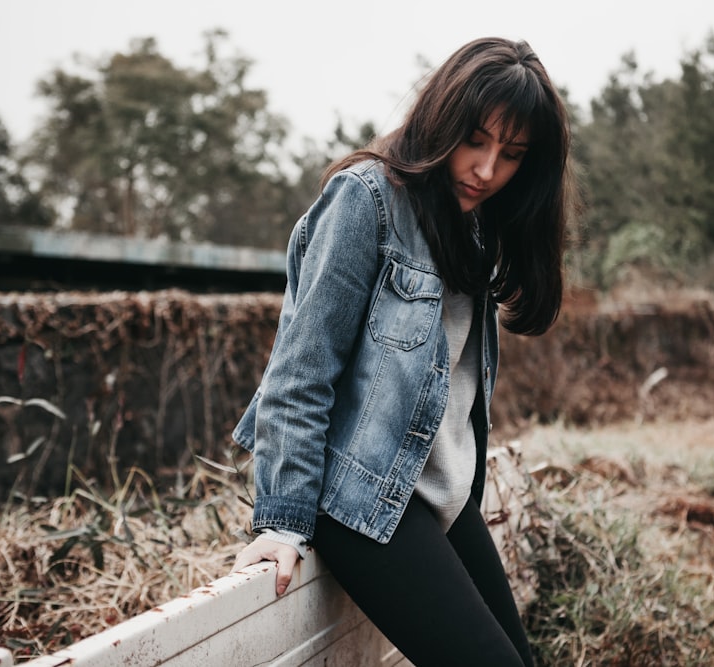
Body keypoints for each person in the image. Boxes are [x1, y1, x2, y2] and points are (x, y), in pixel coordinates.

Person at [230, 36, 573, 667]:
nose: (487, 169)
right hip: (358, 499)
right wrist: (280, 522)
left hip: (435, 492)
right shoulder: (366, 200)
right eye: (476, 139)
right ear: (442, 118)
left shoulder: (472, 224)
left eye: (512, 154)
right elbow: (300, 372)